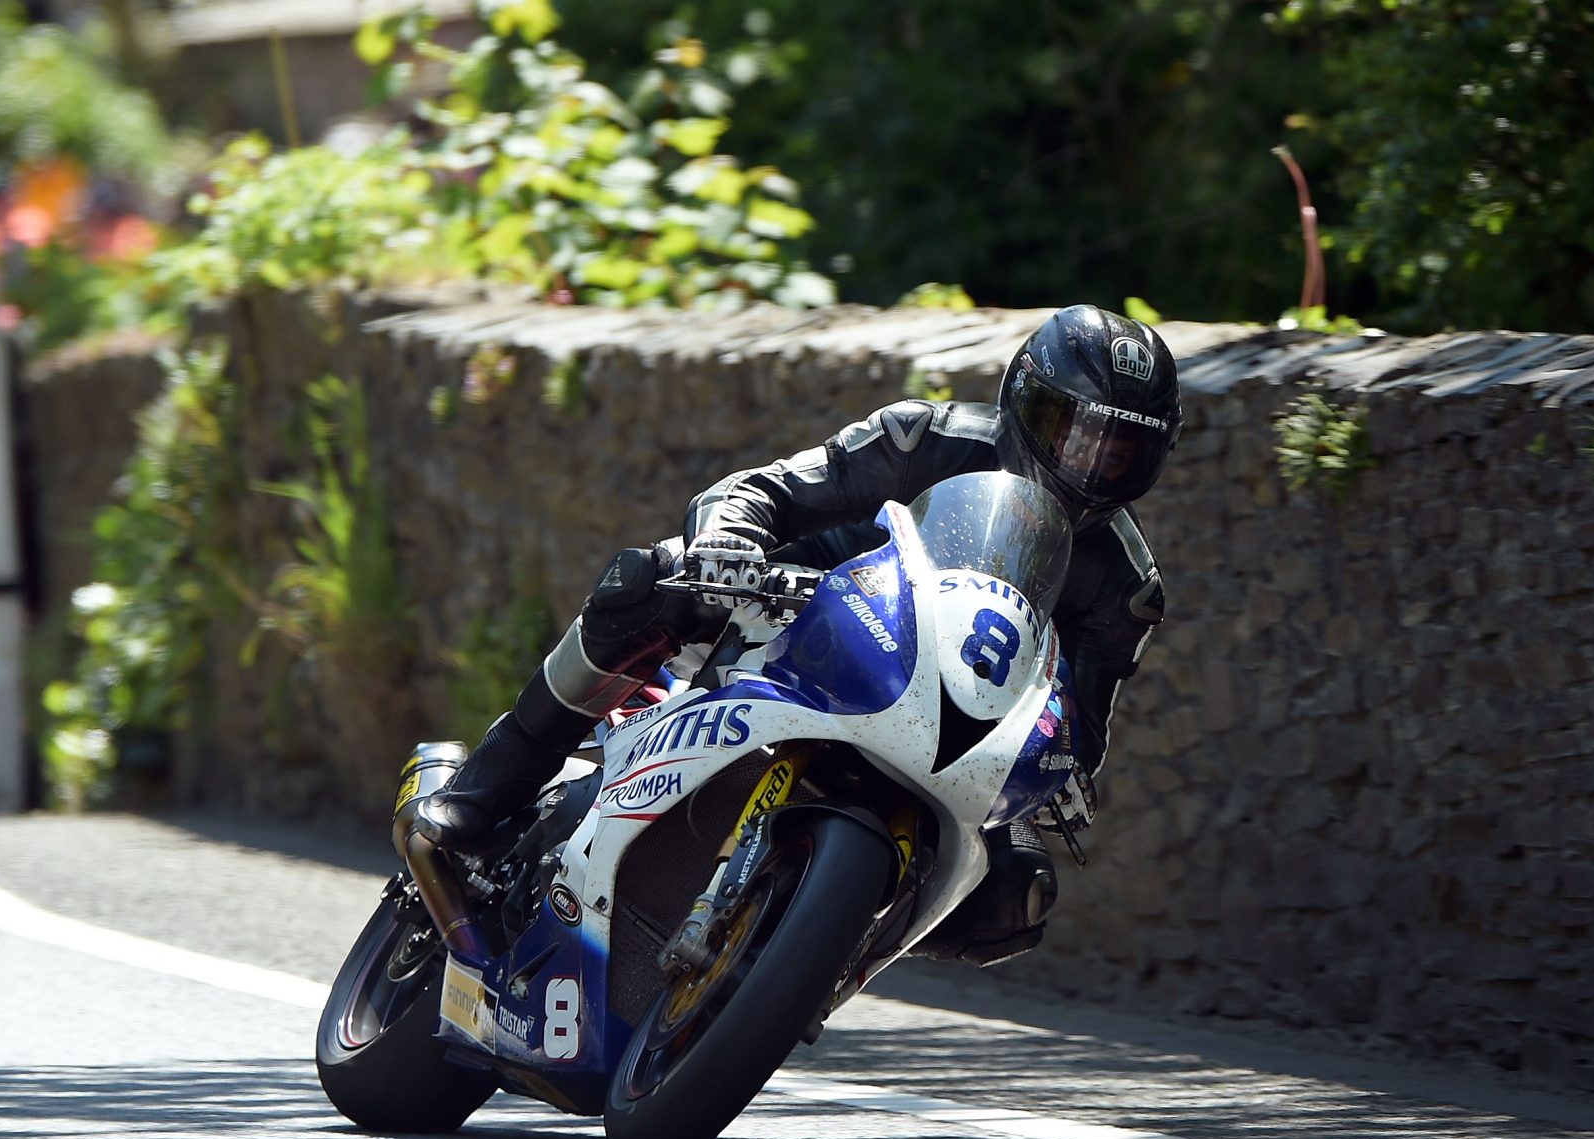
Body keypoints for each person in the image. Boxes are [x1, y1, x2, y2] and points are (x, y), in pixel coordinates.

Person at [409, 305, 1179, 961]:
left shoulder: (1127, 585)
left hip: (947, 712)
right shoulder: (925, 438)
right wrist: (729, 541)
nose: (1092, 461)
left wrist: (1064, 774)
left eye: (1120, 449)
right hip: (806, 613)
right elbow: (766, 491)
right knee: (651, 582)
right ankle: (486, 787)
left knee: (1016, 894)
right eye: (1071, 430)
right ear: (1022, 398)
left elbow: (1083, 717)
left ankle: (814, 962)